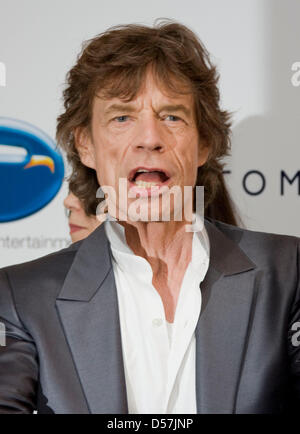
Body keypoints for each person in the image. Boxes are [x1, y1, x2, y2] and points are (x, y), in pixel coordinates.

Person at [0, 20, 299, 414]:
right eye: (122, 117)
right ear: (85, 144)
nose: (149, 138)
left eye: (172, 116)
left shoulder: (289, 272)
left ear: (204, 143)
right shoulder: (21, 297)